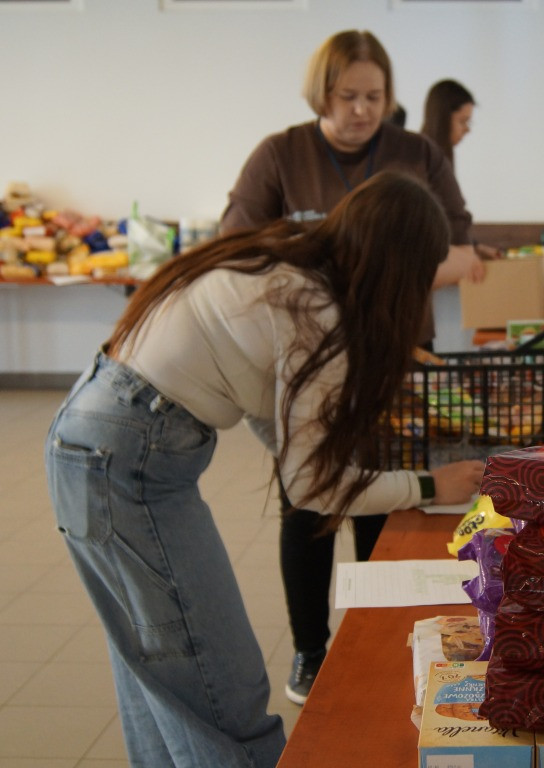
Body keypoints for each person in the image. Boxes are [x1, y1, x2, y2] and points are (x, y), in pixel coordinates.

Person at [44, 172, 485, 767]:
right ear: (398, 269)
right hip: (127, 460)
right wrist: (432, 485)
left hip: (95, 439)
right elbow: (312, 488)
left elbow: (270, 411)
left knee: (160, 680)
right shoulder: (316, 309)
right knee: (220, 688)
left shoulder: (286, 258)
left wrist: (317, 449)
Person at [220, 29, 486, 707]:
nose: (362, 110)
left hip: (396, 354)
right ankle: (311, 651)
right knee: (308, 503)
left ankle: (374, 635)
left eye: (375, 96)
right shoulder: (281, 155)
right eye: (348, 96)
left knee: (386, 498)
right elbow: (236, 243)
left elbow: (459, 241)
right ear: (322, 93)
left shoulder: (415, 153)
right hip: (308, 359)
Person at [420, 79, 501, 259]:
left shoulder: (439, 157)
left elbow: (450, 219)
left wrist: (475, 246)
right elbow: (445, 220)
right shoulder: (422, 158)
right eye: (463, 121)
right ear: (442, 119)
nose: (467, 130)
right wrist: (469, 252)